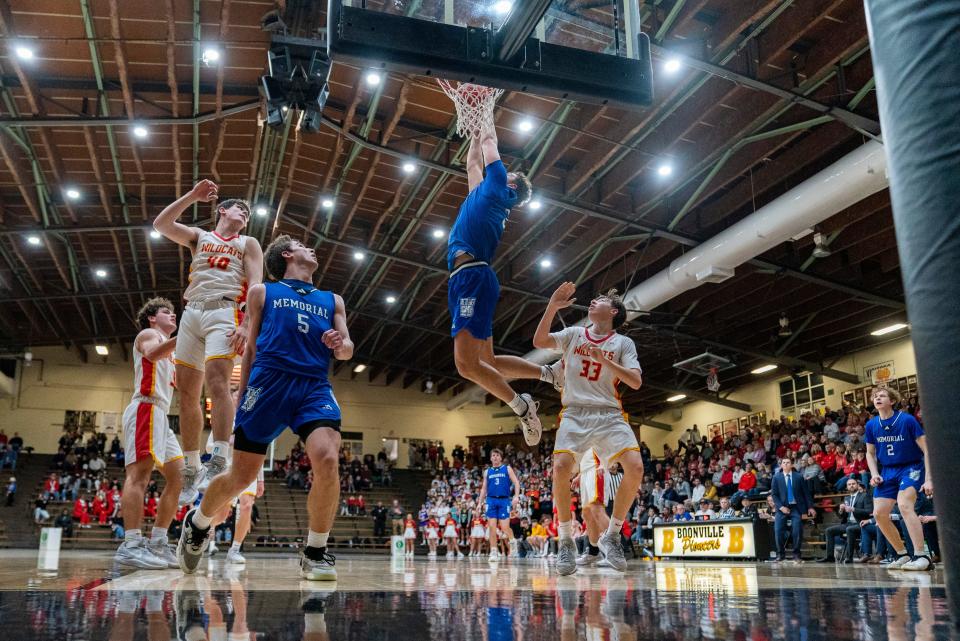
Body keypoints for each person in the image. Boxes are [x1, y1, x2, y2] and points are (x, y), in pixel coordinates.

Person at [176, 235, 351, 581]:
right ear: (287, 254)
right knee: (240, 477)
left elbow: (346, 348)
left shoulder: (333, 300)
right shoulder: (263, 292)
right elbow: (250, 346)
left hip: (313, 386)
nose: (311, 248)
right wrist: (242, 393)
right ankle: (197, 524)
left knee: (328, 458)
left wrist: (339, 343)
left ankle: (315, 551)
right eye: (302, 244)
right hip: (267, 383)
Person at [153, 179, 264, 503]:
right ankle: (191, 467)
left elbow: (256, 286)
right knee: (187, 394)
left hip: (224, 311)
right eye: (238, 207)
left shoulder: (249, 243)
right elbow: (161, 225)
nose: (243, 212)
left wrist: (246, 324)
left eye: (247, 211)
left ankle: (217, 456)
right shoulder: (200, 237)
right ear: (221, 210)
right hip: (192, 313)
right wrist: (192, 195)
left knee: (217, 382)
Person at [531, 282, 644, 575]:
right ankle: (566, 541)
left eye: (600, 300)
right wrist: (553, 306)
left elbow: (635, 382)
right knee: (560, 467)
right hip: (575, 412)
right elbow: (540, 341)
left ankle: (613, 535)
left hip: (609, 413)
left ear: (614, 311)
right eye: (593, 300)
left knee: (635, 466)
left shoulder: (622, 343)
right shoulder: (573, 335)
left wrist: (606, 362)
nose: (593, 302)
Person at [446, 125, 542, 444]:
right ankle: (547, 374)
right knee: (485, 362)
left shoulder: (500, 185)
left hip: (472, 276)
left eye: (507, 172)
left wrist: (484, 115)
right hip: (468, 277)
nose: (503, 171)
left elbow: (489, 146)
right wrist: (474, 130)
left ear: (511, 183)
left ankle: (521, 405)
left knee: (465, 365)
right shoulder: (485, 195)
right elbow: (472, 163)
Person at [114, 297, 184, 569]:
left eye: (175, 313)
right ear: (152, 317)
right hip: (145, 407)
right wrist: (187, 333)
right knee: (139, 475)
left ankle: (157, 541)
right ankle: (130, 544)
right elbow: (153, 354)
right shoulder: (148, 334)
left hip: (161, 415)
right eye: (168, 312)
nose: (174, 316)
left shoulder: (172, 350)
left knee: (178, 478)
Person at [865, 386, 934, 571]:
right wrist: (874, 474)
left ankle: (922, 555)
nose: (877, 398)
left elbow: (927, 449)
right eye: (875, 397)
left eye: (882, 396)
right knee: (879, 514)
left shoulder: (907, 420)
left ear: (892, 401)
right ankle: (902, 554)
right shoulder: (871, 425)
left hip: (911, 467)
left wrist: (929, 479)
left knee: (904, 505)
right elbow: (869, 453)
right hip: (887, 471)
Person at [475, 449, 522, 562]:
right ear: (491, 458)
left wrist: (516, 496)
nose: (495, 457)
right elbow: (484, 488)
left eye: (497, 455)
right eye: (493, 455)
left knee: (505, 527)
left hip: (504, 500)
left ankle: (512, 540)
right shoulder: (487, 472)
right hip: (491, 500)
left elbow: (516, 482)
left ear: (501, 458)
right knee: (492, 527)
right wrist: (479, 503)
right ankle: (494, 551)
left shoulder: (507, 468)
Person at [771, 457, 816, 563]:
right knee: (778, 531)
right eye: (784, 462)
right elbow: (774, 494)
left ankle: (796, 555)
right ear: (781, 465)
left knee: (797, 530)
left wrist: (810, 507)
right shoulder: (776, 477)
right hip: (782, 508)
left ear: (791, 465)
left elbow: (806, 493)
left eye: (788, 462)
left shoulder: (799, 477)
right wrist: (781, 507)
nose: (786, 464)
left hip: (796, 508)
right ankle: (780, 555)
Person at [817, 478, 873, 563]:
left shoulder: (865, 496)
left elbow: (869, 511)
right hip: (849, 523)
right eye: (849, 484)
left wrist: (854, 509)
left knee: (849, 529)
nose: (851, 486)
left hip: (861, 524)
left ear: (857, 485)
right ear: (847, 487)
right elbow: (842, 516)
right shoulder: (847, 498)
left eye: (853, 484)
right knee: (829, 530)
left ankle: (849, 558)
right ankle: (830, 557)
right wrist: (841, 510)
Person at [573, 448, 611, 567]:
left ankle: (614, 552)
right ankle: (594, 552)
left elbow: (609, 443)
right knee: (587, 513)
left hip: (597, 468)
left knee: (597, 510)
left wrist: (605, 463)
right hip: (585, 472)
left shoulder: (599, 428)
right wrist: (580, 474)